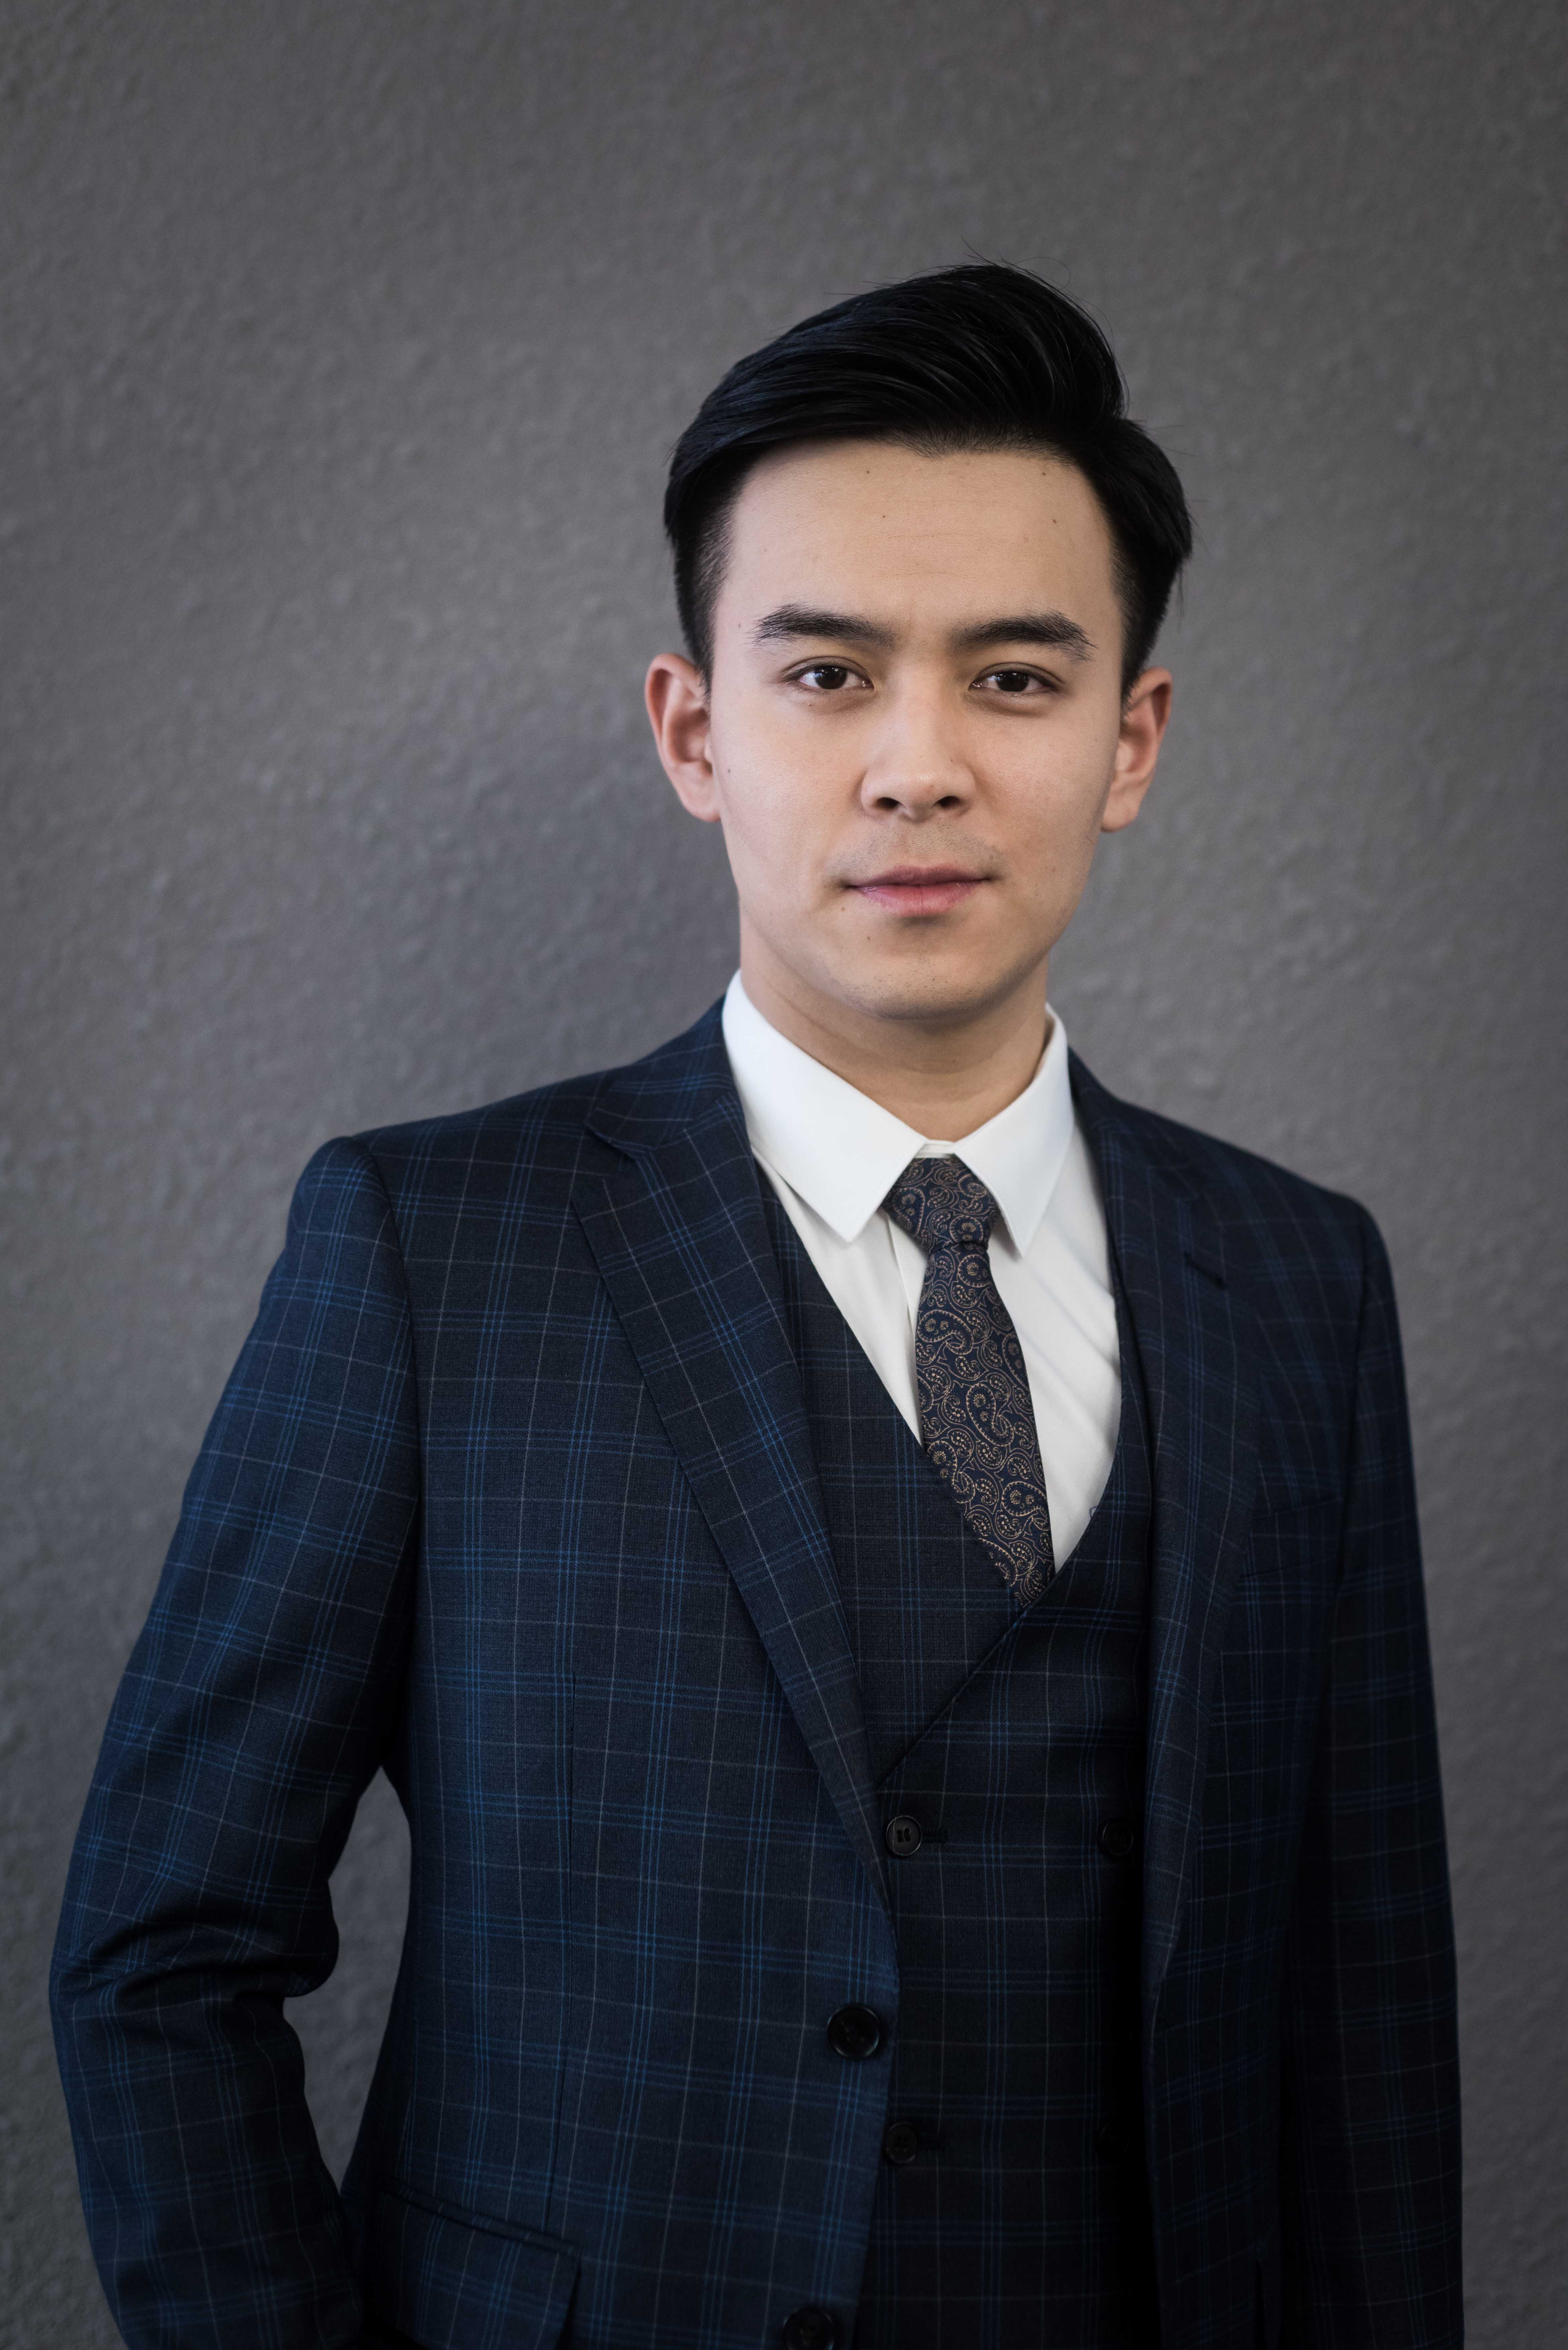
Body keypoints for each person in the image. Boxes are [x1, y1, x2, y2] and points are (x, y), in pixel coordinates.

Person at [52, 264, 1461, 2350]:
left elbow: (1367, 2015)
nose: (919, 767)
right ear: (695, 732)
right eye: (828, 675)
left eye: (1014, 678)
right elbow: (164, 1955)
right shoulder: (433, 1252)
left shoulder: (1298, 1281)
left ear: (1132, 739)